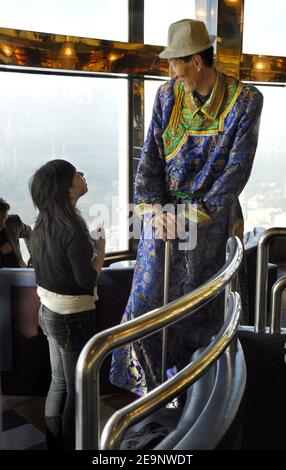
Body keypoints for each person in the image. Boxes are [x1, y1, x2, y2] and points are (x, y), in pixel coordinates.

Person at [110, 19, 263, 396]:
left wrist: (190, 218)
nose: (170, 70)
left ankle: (199, 391)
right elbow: (150, 163)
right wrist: (153, 212)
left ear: (196, 61)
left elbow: (235, 172)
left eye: (175, 62)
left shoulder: (246, 101)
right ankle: (146, 395)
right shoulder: (166, 96)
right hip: (161, 223)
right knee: (146, 304)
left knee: (202, 308)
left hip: (208, 224)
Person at [29, 159, 105, 450]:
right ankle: (74, 445)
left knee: (58, 381)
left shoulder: (43, 222)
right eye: (76, 173)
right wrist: (100, 250)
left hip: (48, 312)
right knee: (77, 389)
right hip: (73, 317)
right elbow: (87, 281)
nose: (83, 175)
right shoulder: (72, 225)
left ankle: (53, 441)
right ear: (66, 187)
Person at [0, 198, 31, 268]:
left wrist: (33, 254)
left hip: (20, 271)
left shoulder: (13, 222)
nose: (3, 225)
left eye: (4, 218)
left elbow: (29, 233)